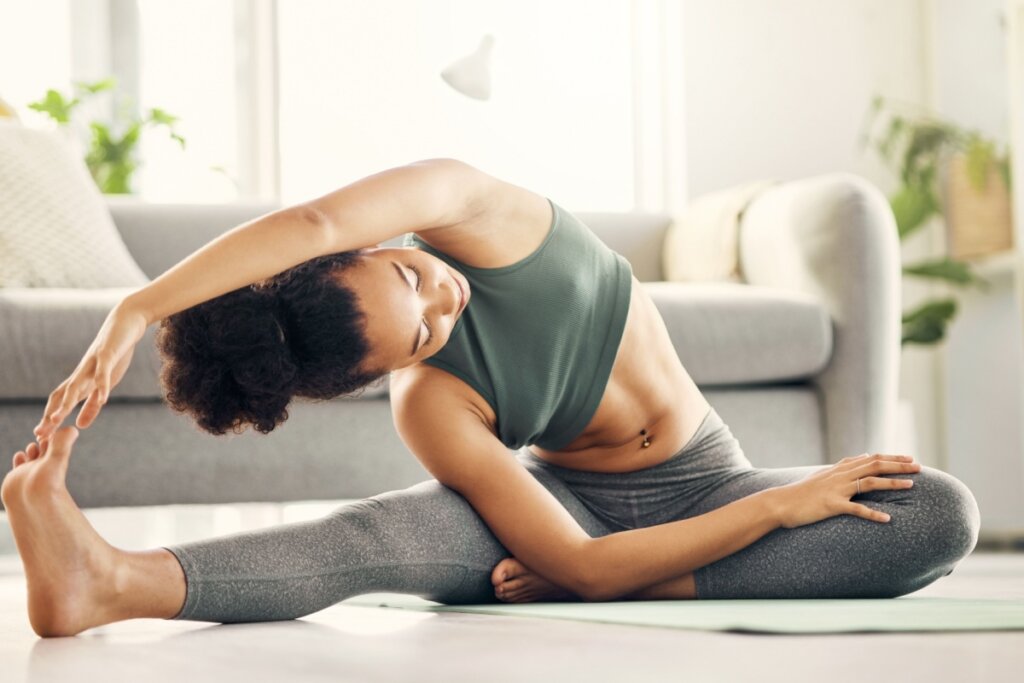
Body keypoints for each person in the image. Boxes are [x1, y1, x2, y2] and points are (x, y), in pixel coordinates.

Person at [5, 158, 979, 638]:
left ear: (370, 245)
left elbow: (311, 217)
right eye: (420, 335)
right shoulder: (427, 402)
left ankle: (653, 573)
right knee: (374, 538)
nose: (441, 303)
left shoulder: (474, 209)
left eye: (406, 278)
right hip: (574, 515)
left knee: (934, 512)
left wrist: (136, 307)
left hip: (705, 484)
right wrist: (777, 508)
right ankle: (111, 579)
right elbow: (582, 558)